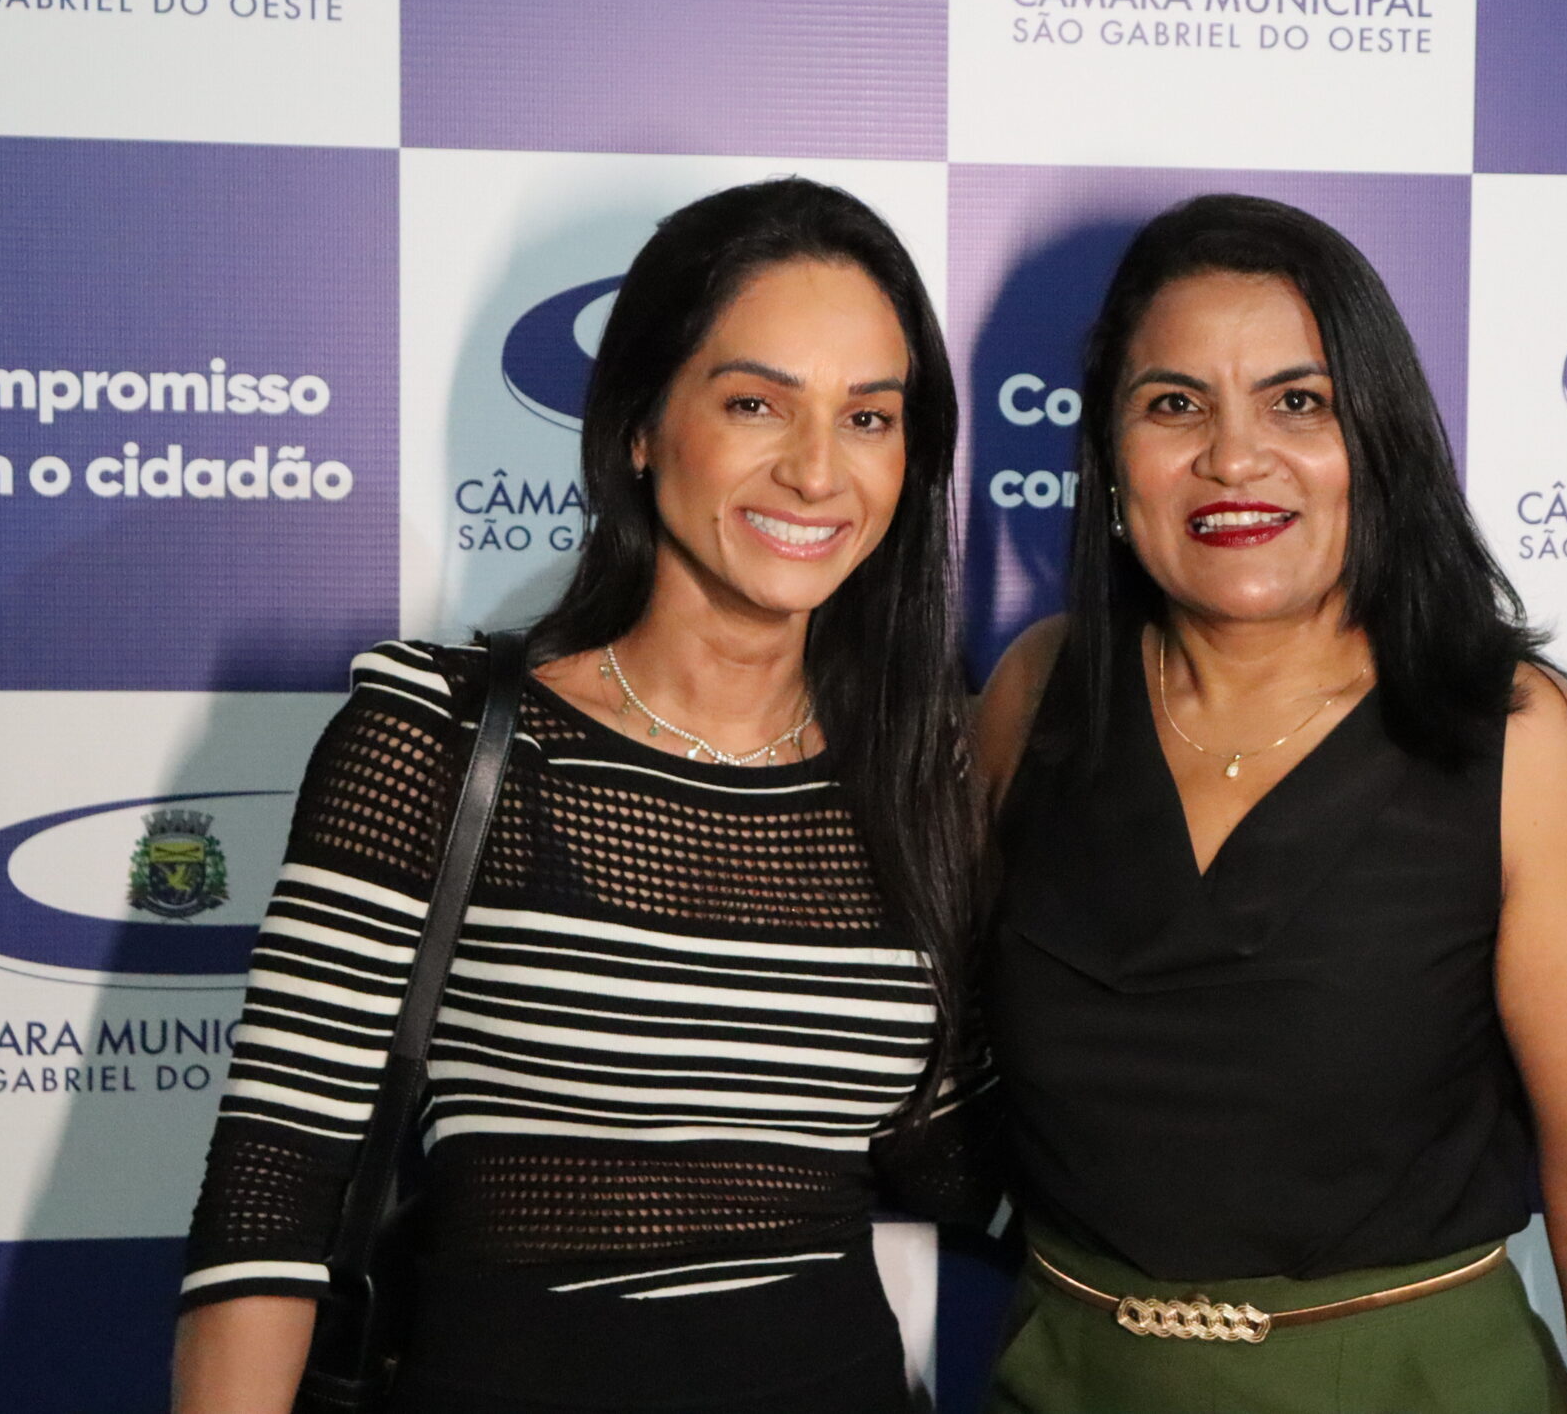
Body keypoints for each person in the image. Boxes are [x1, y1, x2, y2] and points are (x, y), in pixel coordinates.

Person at [174, 179, 986, 1414]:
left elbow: (964, 1159)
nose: (817, 470)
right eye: (756, 404)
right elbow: (274, 1193)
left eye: (868, 417)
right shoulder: (438, 735)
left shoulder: (924, 773)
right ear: (641, 426)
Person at [974, 194, 1567, 1412]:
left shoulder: (1515, 738)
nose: (1233, 456)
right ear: (1107, 456)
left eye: (1296, 403)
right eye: (1174, 405)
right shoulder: (1034, 693)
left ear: (1378, 439)